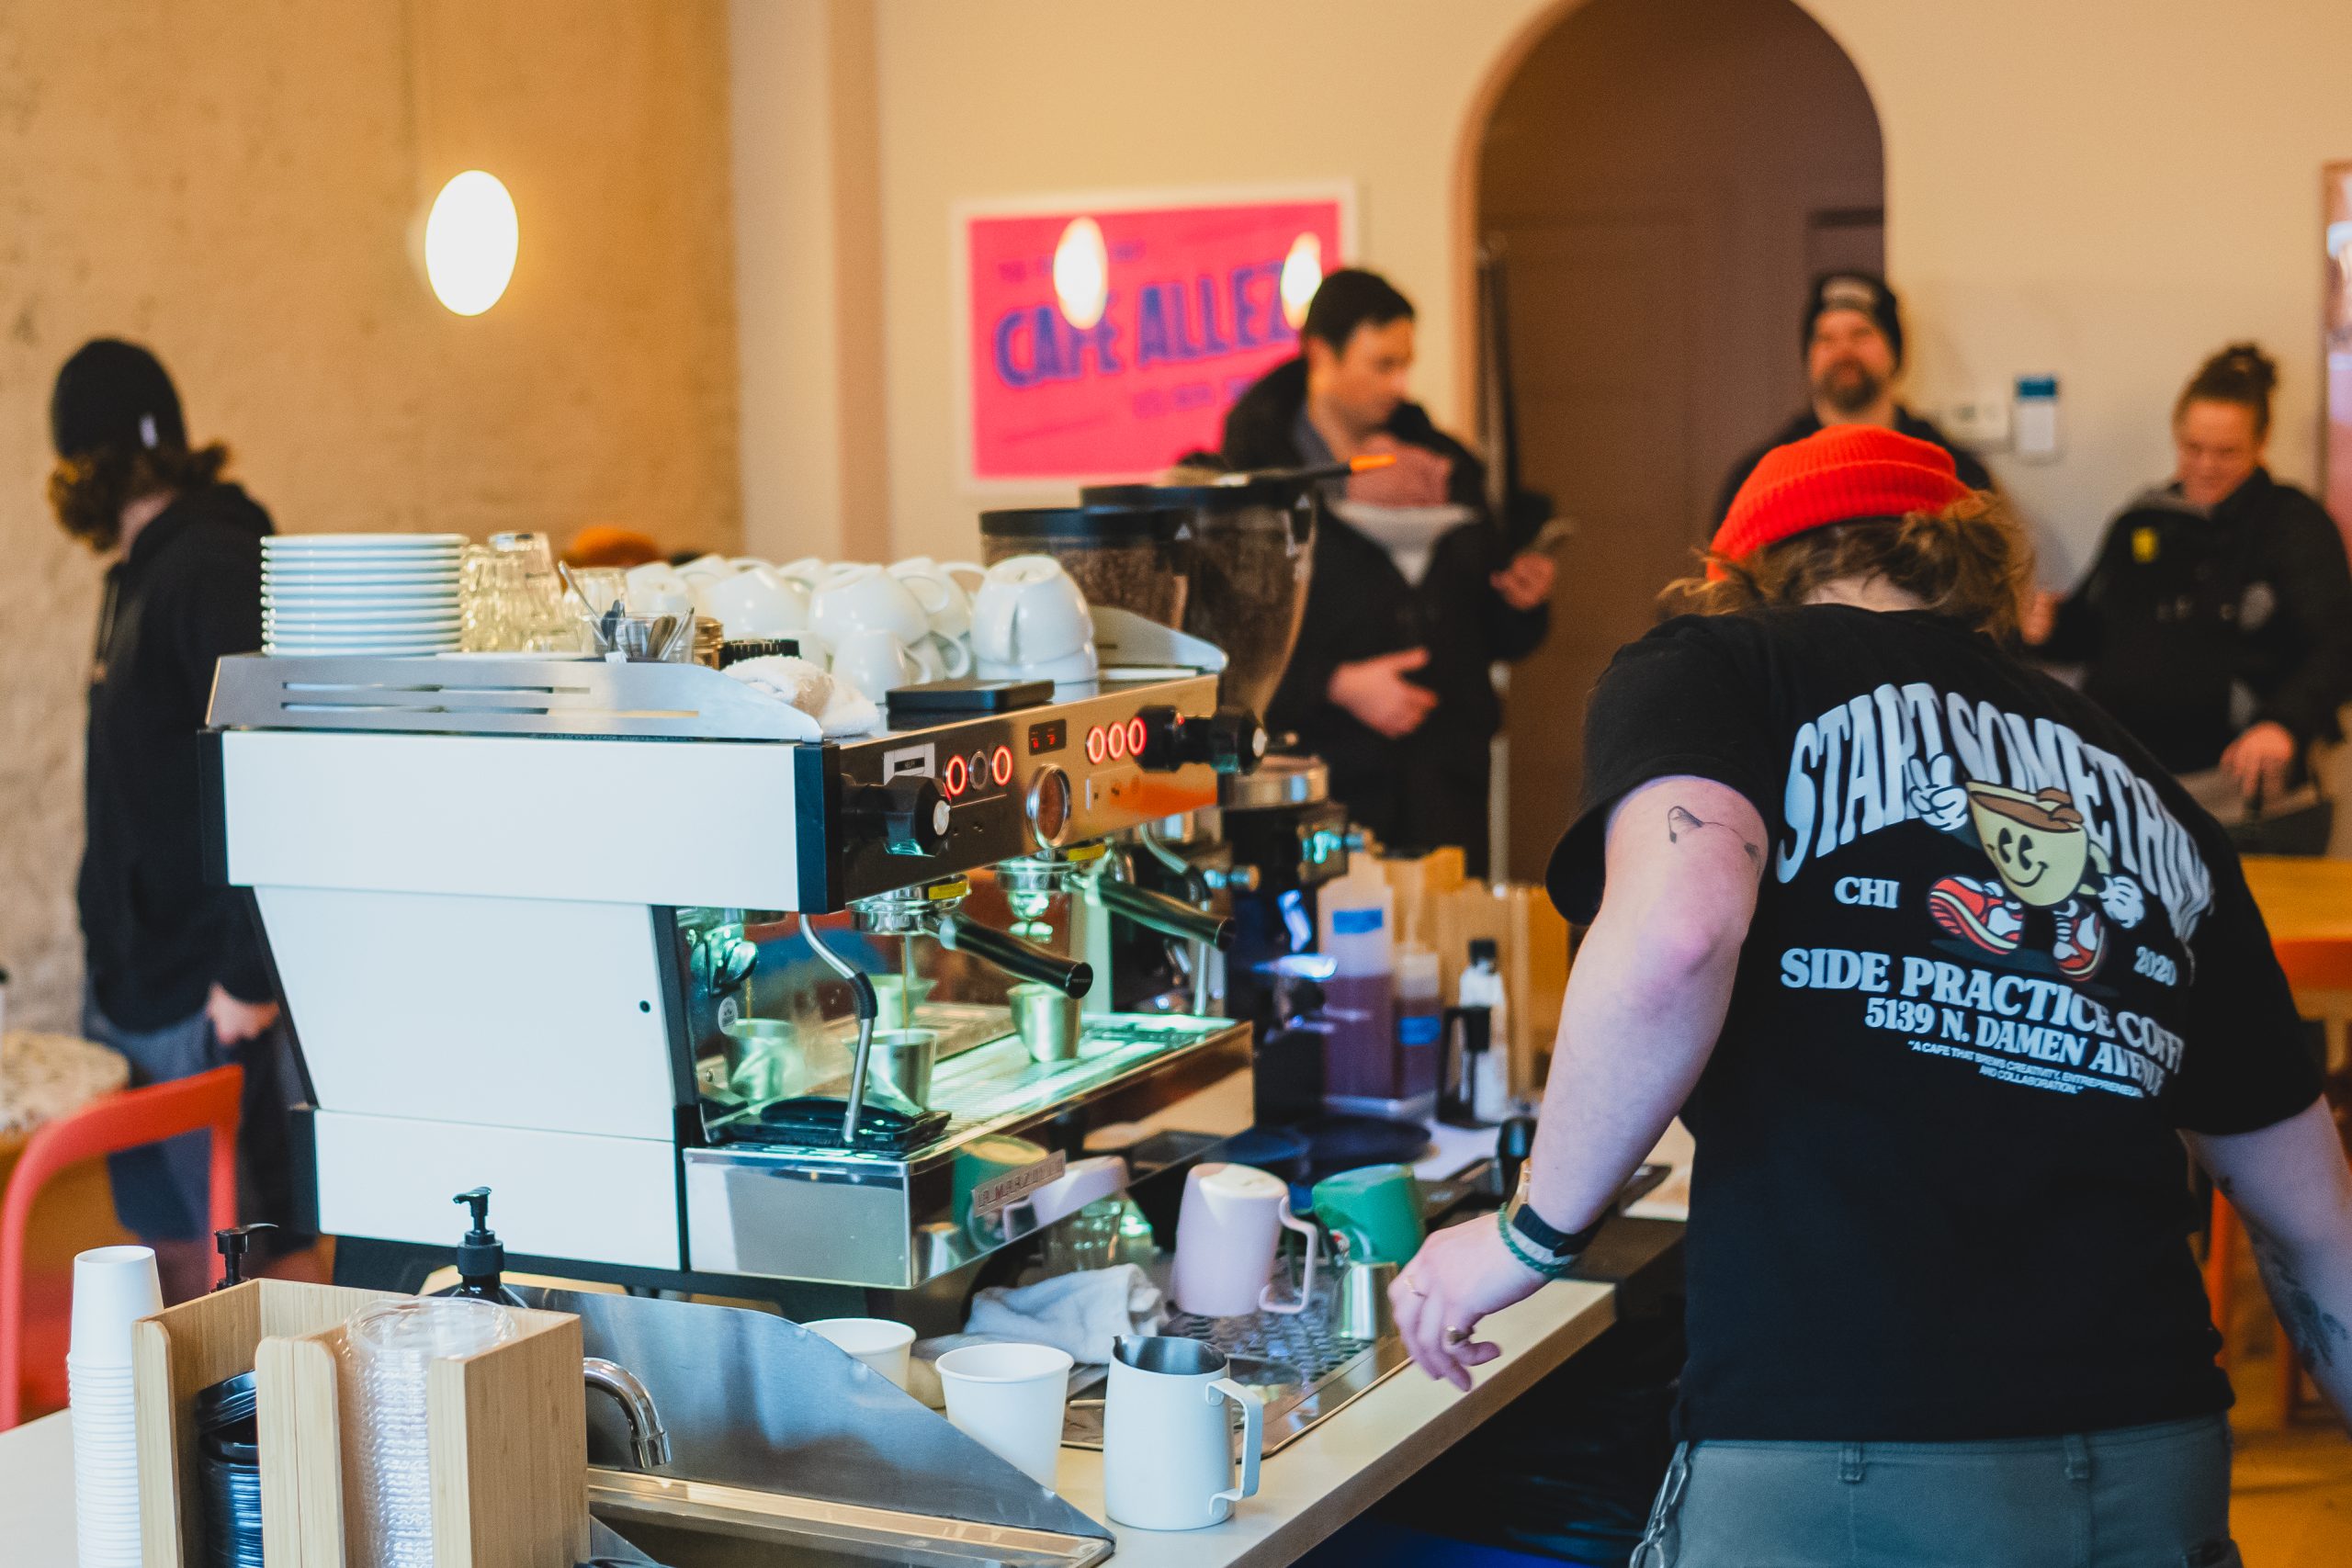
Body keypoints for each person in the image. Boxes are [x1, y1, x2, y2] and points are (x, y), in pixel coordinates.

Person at [1391, 425, 2352, 1564]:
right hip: (2154, 1453)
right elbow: (2316, 1227)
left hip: (1841, 1447)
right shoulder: (2146, 787)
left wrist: (1525, 1238)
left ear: (1741, 575)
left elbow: (1681, 930)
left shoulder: (1720, 667)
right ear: (1971, 566)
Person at [53, 340, 307, 1302]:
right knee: (171, 1263)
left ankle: (283, 1450)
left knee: (264, 1270)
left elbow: (267, 767)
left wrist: (248, 975)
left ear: (87, 466)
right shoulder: (132, 579)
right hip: (135, 987)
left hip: (212, 993)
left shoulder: (210, 564)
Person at [1220, 268, 1555, 874]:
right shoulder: (1252, 480)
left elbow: (1495, 629)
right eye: (1382, 364)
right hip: (1320, 783)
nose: (1399, 385)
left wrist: (1522, 600)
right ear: (1322, 353)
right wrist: (1334, 682)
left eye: (1406, 363)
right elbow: (1230, 644)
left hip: (1445, 780)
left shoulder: (1442, 463)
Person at [2028, 344, 2352, 853]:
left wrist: (2285, 722)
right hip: (2127, 792)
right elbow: (2095, 631)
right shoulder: (2142, 517)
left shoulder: (2293, 525)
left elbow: (2338, 645)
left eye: (2226, 453)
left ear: (2261, 443)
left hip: (2243, 802)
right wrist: (2050, 627)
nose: (2205, 466)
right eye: (2192, 447)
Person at [1713, 271, 1991, 523]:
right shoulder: (1760, 481)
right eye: (1826, 338)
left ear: (1894, 352)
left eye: (1861, 334)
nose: (1843, 351)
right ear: (1809, 358)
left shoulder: (1953, 474)